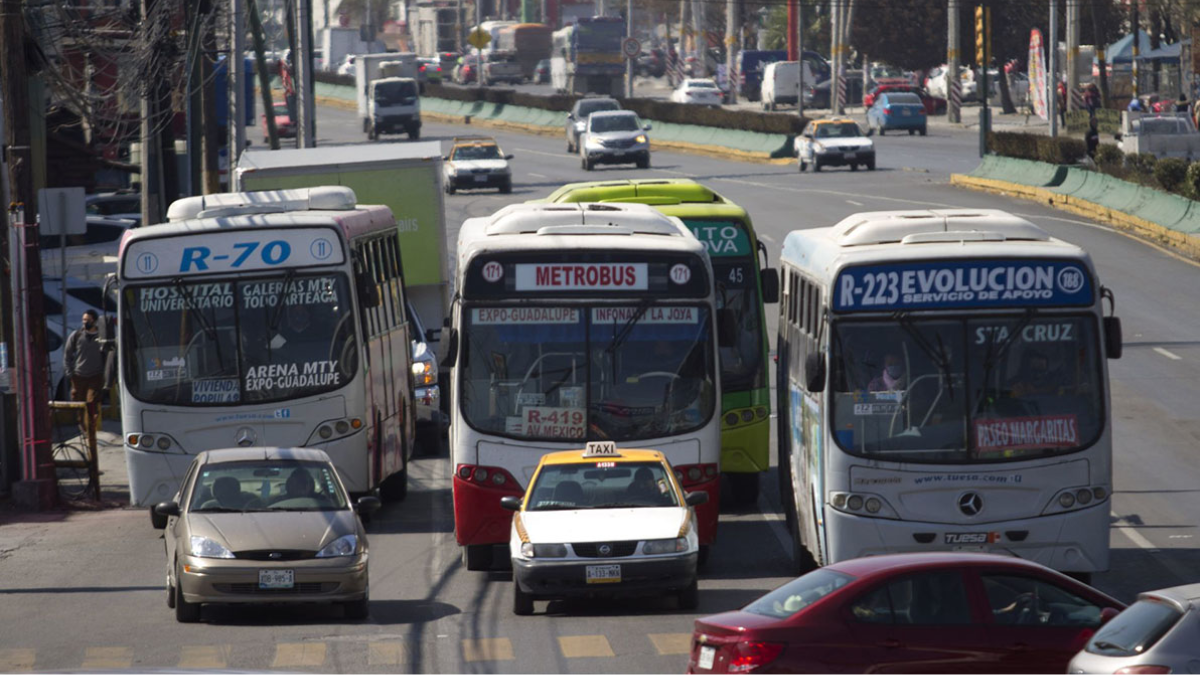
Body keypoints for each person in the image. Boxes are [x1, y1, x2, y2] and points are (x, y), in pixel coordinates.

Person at [64, 309, 106, 433]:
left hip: (96, 375)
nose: (85, 322)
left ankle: (91, 428)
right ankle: (82, 427)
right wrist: (69, 372)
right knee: (79, 404)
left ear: (94, 321)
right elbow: (67, 354)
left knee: (92, 402)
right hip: (79, 375)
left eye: (88, 320)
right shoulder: (76, 335)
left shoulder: (101, 336)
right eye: (83, 320)